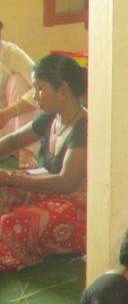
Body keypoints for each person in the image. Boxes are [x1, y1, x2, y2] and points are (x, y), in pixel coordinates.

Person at [0, 53, 86, 271]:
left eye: (39, 88)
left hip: (78, 207)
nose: (35, 96)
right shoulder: (51, 117)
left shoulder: (84, 126)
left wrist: (11, 178)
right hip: (53, 193)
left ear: (63, 90)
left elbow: (67, 183)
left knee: (8, 224)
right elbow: (13, 141)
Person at [0, 19, 37, 165]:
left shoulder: (11, 53)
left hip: (14, 119)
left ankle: (26, 151)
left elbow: (44, 88)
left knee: (17, 81)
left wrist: (8, 112)